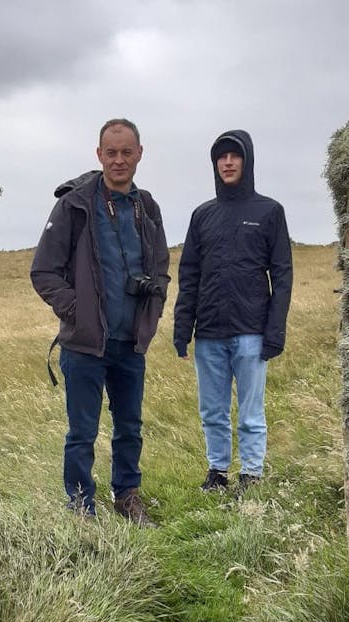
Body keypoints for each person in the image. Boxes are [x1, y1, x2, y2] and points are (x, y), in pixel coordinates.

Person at [29, 118, 171, 525]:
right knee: (82, 434)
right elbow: (43, 272)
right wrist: (76, 311)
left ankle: (126, 496)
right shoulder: (74, 205)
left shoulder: (148, 207)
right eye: (111, 153)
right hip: (85, 344)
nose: (119, 160)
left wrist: (152, 311)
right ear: (99, 155)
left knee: (130, 427)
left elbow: (160, 269)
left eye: (127, 152)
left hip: (130, 342)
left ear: (140, 154)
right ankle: (81, 510)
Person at [172, 129, 292, 494]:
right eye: (221, 156)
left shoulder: (269, 211)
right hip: (209, 332)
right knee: (213, 411)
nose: (227, 162)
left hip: (252, 332)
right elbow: (189, 274)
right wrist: (182, 327)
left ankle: (252, 474)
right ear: (214, 164)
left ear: (247, 161)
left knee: (251, 414)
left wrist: (275, 331)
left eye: (234, 155)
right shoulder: (202, 215)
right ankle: (218, 471)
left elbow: (283, 275)